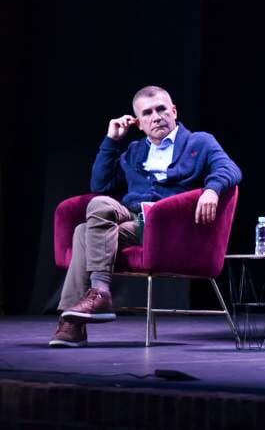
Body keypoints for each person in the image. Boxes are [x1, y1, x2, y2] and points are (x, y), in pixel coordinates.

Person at [49, 86, 242, 347]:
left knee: (83, 232)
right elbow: (101, 185)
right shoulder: (134, 151)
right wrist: (111, 140)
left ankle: (74, 322)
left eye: (162, 109)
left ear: (174, 111)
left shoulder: (200, 142)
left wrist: (212, 190)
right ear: (139, 123)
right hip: (133, 218)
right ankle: (97, 296)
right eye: (148, 113)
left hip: (169, 227)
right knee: (94, 212)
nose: (156, 116)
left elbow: (229, 168)